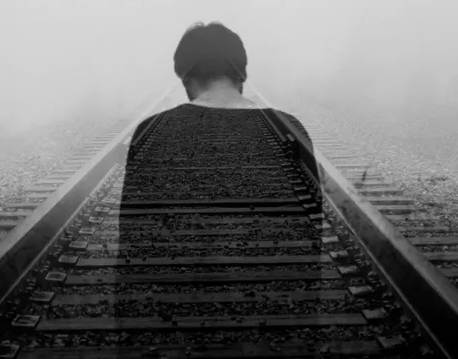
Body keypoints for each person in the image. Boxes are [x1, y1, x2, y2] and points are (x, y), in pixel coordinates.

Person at [112, 21, 323, 347]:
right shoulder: (289, 128)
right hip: (277, 329)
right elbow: (311, 239)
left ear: (185, 76)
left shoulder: (150, 131)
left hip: (172, 331)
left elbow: (132, 248)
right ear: (242, 73)